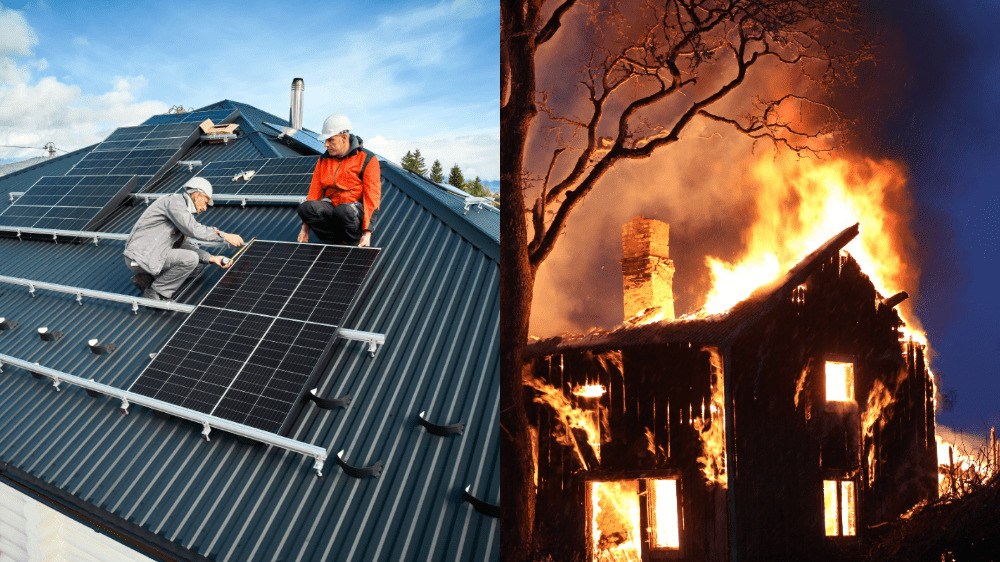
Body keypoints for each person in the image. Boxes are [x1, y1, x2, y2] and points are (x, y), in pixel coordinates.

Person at [124, 177, 244, 301]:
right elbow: (193, 229)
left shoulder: (181, 215)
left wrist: (212, 258)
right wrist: (224, 236)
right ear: (197, 195)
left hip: (154, 255)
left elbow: (185, 245)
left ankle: (146, 279)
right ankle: (156, 292)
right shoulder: (175, 202)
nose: (205, 208)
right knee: (190, 259)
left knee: (196, 265)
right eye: (205, 202)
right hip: (141, 256)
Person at [296, 113, 381, 246]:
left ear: (344, 137)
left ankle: (352, 241)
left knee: (343, 211)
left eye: (330, 140)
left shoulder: (367, 159)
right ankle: (333, 242)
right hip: (333, 210)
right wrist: (305, 228)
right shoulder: (324, 160)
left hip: (352, 212)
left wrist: (367, 233)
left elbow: (372, 198)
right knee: (305, 208)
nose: (325, 145)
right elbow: (314, 192)